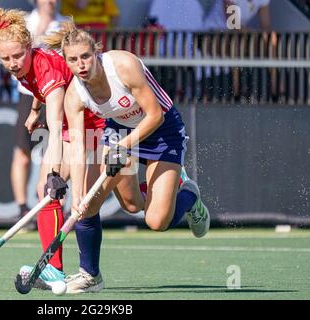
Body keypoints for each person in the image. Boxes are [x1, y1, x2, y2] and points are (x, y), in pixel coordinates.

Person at [43, 21, 210, 294]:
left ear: (96, 52)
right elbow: (77, 147)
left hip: (162, 131)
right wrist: (79, 195)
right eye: (73, 60)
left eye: (86, 56)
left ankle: (189, 195)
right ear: (67, 62)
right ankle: (91, 276)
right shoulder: (74, 95)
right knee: (113, 204)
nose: (81, 64)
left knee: (156, 222)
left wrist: (124, 145)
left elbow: (155, 115)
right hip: (119, 132)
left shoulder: (123, 66)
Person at [0, 8, 106, 289]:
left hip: (99, 125)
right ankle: (54, 269)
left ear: (29, 48)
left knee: (133, 204)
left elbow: (54, 129)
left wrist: (54, 170)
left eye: (17, 55)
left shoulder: (46, 69)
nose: (12, 63)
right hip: (73, 127)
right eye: (5, 58)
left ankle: (181, 192)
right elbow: (37, 89)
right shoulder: (24, 68)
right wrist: (33, 110)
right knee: (48, 190)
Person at [11, 0, 68, 231]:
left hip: (57, 92)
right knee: (22, 152)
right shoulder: (27, 22)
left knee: (59, 147)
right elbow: (26, 58)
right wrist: (42, 26)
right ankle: (22, 208)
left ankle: (57, 206)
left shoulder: (65, 24)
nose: (51, 1)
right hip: (31, 94)